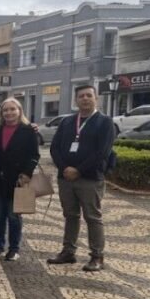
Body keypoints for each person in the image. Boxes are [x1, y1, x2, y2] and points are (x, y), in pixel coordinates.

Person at [48, 84, 116, 272]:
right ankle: (68, 251)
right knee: (70, 215)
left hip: (90, 178)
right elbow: (54, 148)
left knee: (93, 217)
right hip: (66, 179)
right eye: (81, 96)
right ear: (76, 100)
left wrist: (78, 169)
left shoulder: (105, 122)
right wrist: (65, 168)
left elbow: (102, 152)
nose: (85, 99)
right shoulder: (67, 122)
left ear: (96, 99)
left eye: (88, 95)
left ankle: (97, 256)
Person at [0, 98, 39, 262]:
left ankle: (14, 248)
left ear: (19, 111)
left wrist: (27, 173)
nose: (9, 113)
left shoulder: (28, 130)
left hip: (18, 179)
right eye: (5, 110)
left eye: (13, 109)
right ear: (1, 113)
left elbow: (34, 155)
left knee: (14, 215)